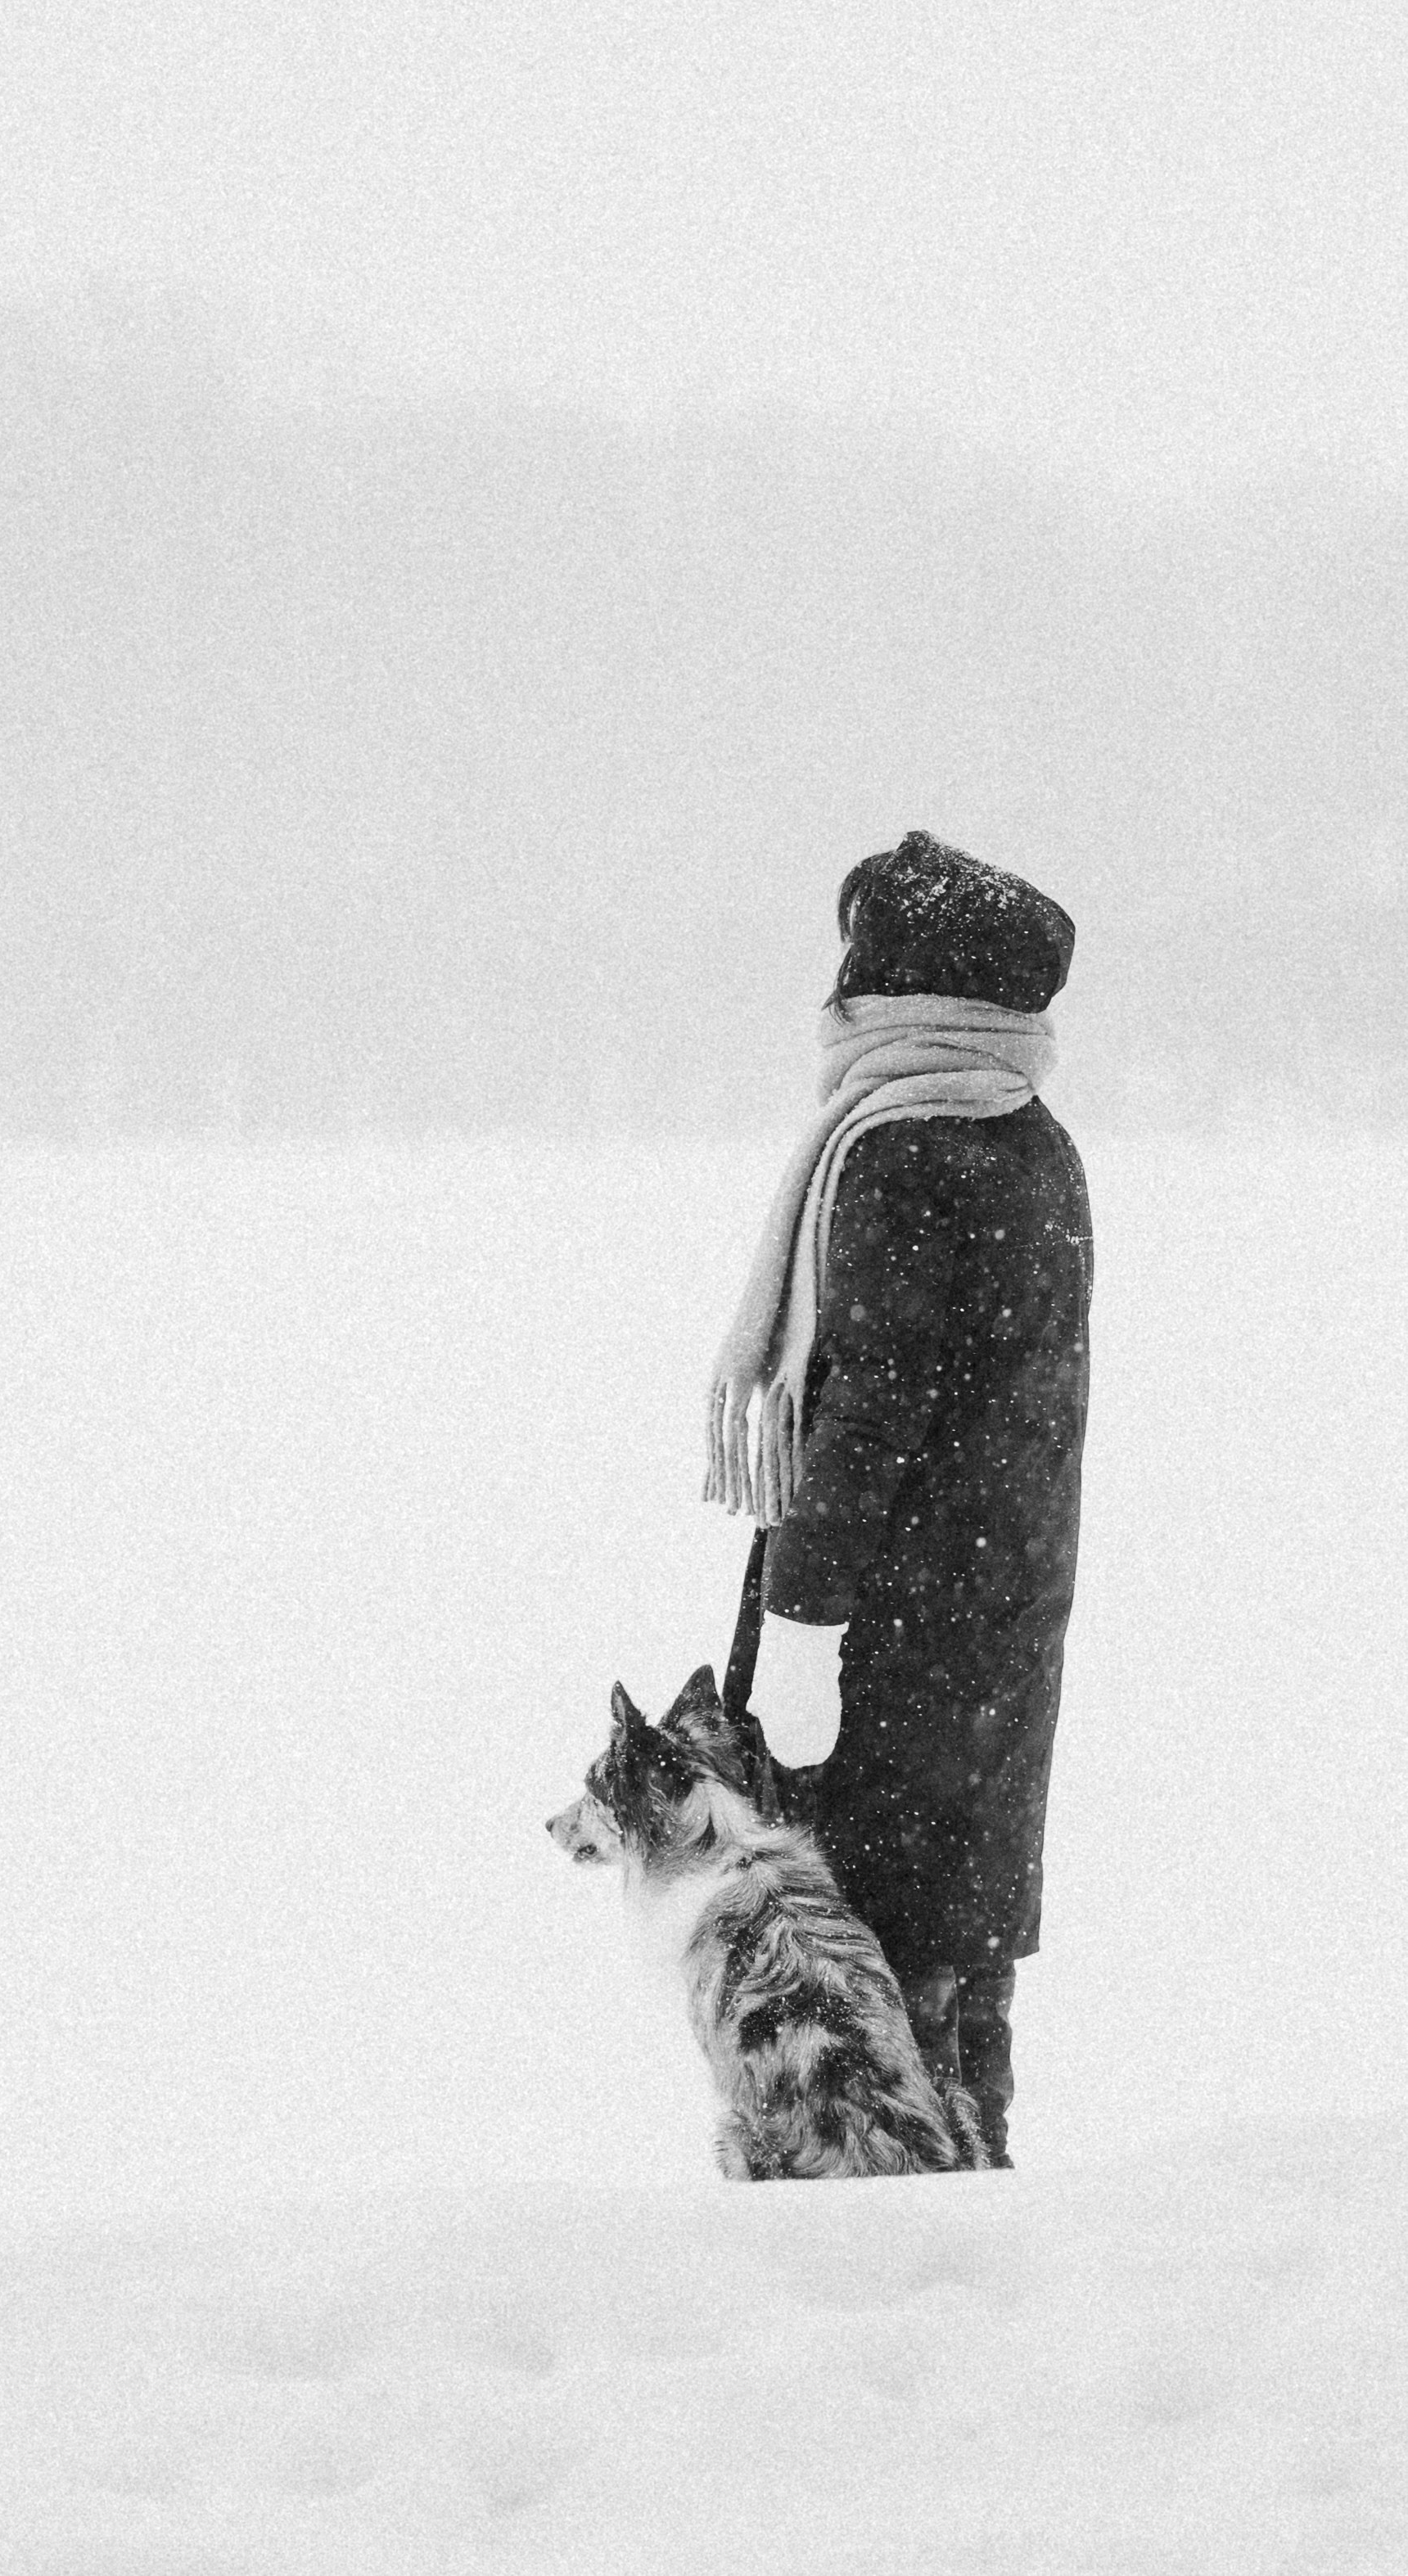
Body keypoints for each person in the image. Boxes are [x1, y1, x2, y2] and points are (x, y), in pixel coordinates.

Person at [705, 828, 1092, 2168]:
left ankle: (883, 2286)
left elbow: (872, 1410)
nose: (833, 1000)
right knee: (951, 1986)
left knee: (860, 1991)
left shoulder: (910, 1147)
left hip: (894, 1650)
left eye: (853, 969)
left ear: (900, 988)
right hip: (984, 1641)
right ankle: (969, 2255)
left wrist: (806, 1624)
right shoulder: (1024, 1133)